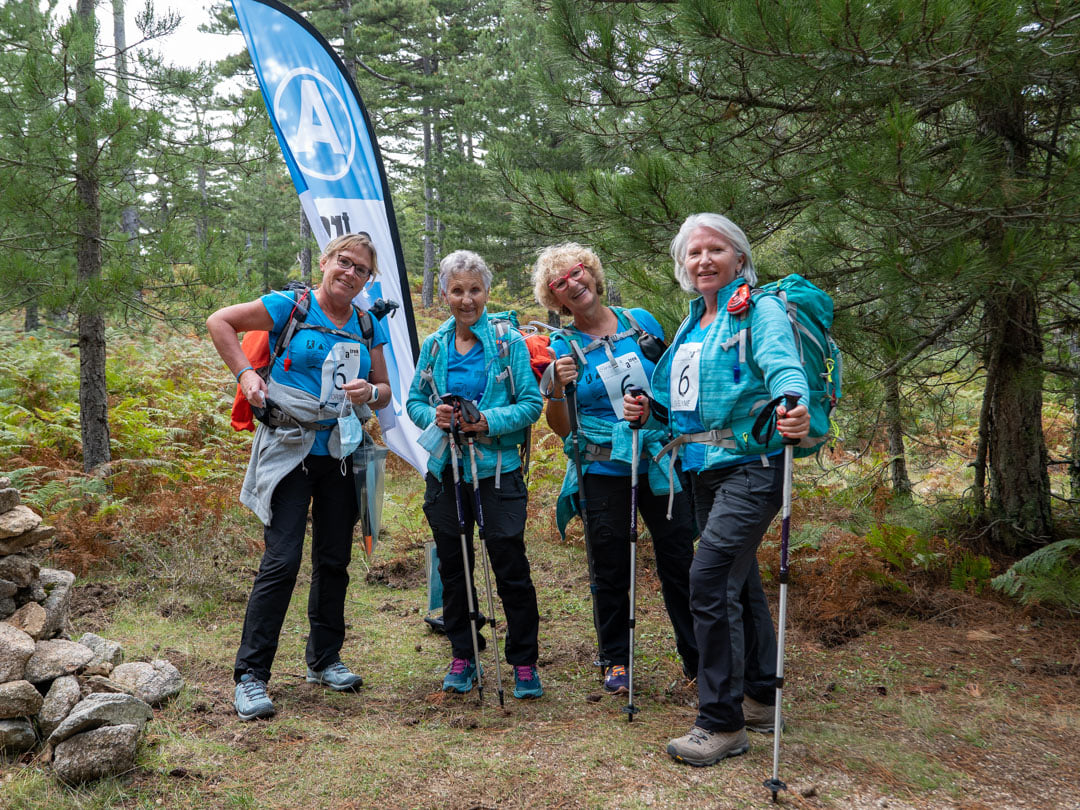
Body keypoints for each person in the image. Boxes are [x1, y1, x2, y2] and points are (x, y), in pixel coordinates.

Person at [622, 213, 810, 767]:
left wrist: (792, 406)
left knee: (706, 577)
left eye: (715, 250)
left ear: (739, 258)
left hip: (753, 463)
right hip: (701, 468)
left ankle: (721, 722)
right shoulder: (691, 324)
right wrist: (645, 411)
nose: (704, 261)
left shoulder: (760, 309)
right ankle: (758, 694)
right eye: (693, 253)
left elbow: (783, 367)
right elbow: (671, 399)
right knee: (737, 577)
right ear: (683, 265)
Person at [207, 233, 392, 720]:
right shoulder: (291, 306)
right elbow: (219, 321)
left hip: (339, 450)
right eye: (343, 263)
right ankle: (250, 676)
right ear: (326, 262)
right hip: (288, 449)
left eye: (361, 270)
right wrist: (246, 374)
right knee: (282, 560)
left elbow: (386, 392)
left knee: (334, 559)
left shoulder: (368, 323)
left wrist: (368, 393)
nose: (350, 274)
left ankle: (325, 659)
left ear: (368, 280)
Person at [531, 243, 698, 695]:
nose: (573, 284)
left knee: (680, 562)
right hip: (602, 470)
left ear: (593, 273)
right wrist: (556, 390)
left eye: (577, 272)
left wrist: (651, 411)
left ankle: (698, 660)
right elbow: (562, 428)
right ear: (555, 299)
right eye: (559, 282)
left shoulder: (640, 322)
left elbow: (672, 385)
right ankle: (615, 661)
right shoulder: (560, 346)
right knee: (609, 567)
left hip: (659, 460)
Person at [406, 249, 544, 699]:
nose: (467, 299)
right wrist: (437, 416)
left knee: (509, 562)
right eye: (457, 290)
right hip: (447, 471)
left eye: (475, 289)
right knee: (454, 565)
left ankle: (523, 661)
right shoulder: (435, 345)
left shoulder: (508, 343)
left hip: (497, 471)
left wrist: (485, 422)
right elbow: (414, 402)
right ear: (444, 293)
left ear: (486, 291)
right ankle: (463, 654)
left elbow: (531, 403)